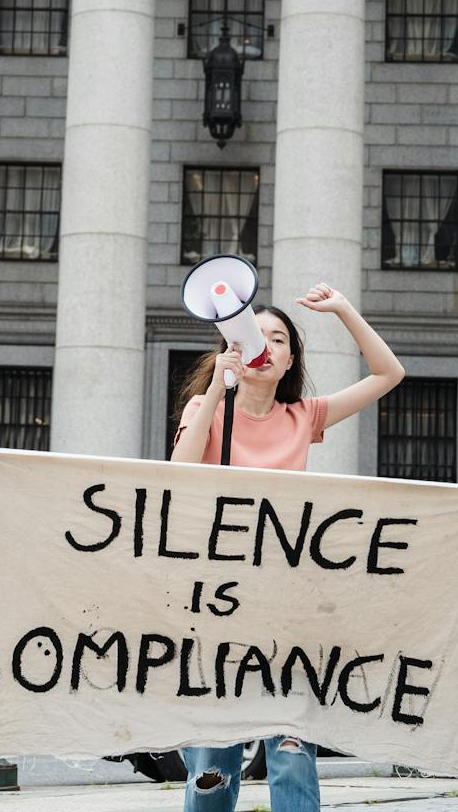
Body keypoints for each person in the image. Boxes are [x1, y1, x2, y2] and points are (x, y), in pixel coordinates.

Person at [167, 282, 406, 812]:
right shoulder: (205, 409)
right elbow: (177, 474)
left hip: (288, 609)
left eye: (279, 339)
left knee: (293, 753)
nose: (266, 347)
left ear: (290, 358)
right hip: (218, 609)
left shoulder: (304, 417)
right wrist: (217, 389)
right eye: (256, 336)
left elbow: (389, 374)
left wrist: (343, 310)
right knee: (213, 763)